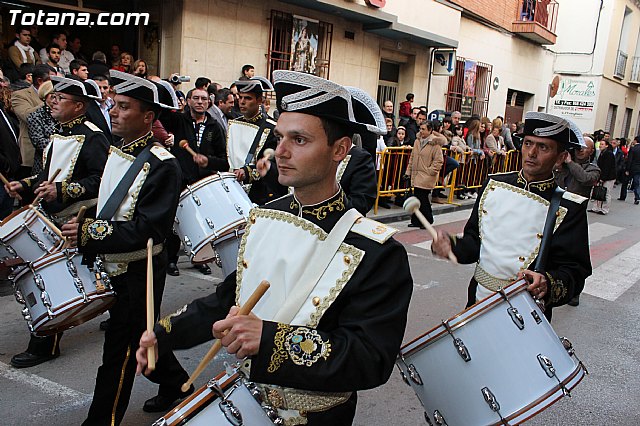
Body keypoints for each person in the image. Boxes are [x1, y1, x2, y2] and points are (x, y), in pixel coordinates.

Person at [134, 69, 413, 426]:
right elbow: (228, 299)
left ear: (339, 150)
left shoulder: (376, 249)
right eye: (280, 137)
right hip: (247, 401)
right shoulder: (265, 218)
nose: (280, 151)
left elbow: (370, 359)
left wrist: (269, 338)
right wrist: (163, 334)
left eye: (299, 140)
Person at [60, 70, 191, 425]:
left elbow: (149, 230)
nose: (113, 112)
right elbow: (110, 203)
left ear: (148, 118)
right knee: (141, 335)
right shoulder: (118, 151)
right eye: (113, 105)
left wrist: (89, 233)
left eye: (123, 107)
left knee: (118, 350)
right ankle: (178, 385)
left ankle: (102, 419)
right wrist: (82, 220)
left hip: (140, 270)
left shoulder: (164, 166)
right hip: (115, 264)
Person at [432, 111, 592, 321]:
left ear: (561, 157)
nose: (532, 153)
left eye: (543, 147)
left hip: (526, 316)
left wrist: (547, 283)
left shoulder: (569, 207)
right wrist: (450, 246)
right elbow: (475, 243)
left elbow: (574, 273)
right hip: (477, 304)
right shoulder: (492, 185)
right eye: (528, 143)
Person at [6, 76, 110, 368]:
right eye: (53, 96)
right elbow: (47, 175)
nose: (52, 101)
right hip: (54, 217)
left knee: (60, 279)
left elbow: (103, 180)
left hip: (79, 218)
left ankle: (45, 343)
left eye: (60, 98)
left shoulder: (93, 136)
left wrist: (63, 190)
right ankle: (47, 341)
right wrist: (24, 186)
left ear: (78, 106)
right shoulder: (57, 133)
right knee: (57, 278)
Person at [227, 76, 287, 204]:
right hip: (233, 191)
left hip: (260, 195)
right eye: (240, 97)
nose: (242, 102)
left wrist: (247, 172)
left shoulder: (272, 128)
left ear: (259, 100)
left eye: (248, 98)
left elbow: (274, 165)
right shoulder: (232, 124)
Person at [406, 120, 445, 227]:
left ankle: (427, 219)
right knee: (417, 198)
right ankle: (416, 220)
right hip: (416, 174)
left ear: (430, 130)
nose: (421, 131)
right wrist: (408, 172)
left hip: (426, 176)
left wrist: (430, 171)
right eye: (420, 129)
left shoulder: (435, 144)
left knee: (422, 199)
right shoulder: (417, 141)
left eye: (423, 129)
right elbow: (412, 157)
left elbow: (438, 161)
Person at [590, 138, 616, 215]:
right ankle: (596, 208)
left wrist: (603, 178)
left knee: (606, 193)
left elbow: (607, 167)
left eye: (602, 144)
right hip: (602, 176)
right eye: (600, 144)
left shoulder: (608, 154)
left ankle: (604, 209)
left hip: (609, 177)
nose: (600, 146)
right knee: (598, 191)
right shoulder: (602, 153)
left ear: (607, 145)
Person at [626, 136, 640, 205]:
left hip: (634, 168)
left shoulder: (633, 149)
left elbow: (630, 160)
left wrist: (627, 169)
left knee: (630, 181)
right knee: (637, 183)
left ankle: (624, 194)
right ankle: (637, 197)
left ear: (635, 140)